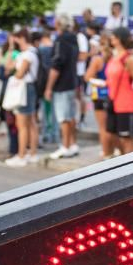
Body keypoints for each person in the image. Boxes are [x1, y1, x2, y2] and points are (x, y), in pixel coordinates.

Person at [45, 15, 82, 160]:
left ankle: (65, 147)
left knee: (63, 118)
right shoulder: (74, 39)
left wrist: (48, 87)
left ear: (59, 24)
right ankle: (72, 144)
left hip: (62, 85)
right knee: (70, 116)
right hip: (72, 82)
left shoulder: (60, 41)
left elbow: (56, 65)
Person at [105, 26, 133, 154]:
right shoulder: (114, 57)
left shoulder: (128, 59)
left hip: (126, 105)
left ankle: (131, 164)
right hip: (114, 102)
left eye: (114, 36)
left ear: (119, 38)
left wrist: (129, 94)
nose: (111, 38)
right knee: (114, 138)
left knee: (127, 140)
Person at [6, 28, 41, 166]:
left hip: (24, 89)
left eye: (15, 39)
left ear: (21, 38)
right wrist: (11, 48)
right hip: (28, 88)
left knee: (22, 124)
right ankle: (32, 153)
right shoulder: (27, 53)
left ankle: (22, 155)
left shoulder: (28, 54)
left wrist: (13, 77)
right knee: (31, 122)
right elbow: (8, 66)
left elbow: (19, 74)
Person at [84, 31, 114, 155]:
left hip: (100, 95)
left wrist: (101, 82)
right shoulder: (117, 57)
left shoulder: (97, 59)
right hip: (114, 94)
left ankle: (106, 153)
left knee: (103, 127)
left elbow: (87, 77)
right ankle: (114, 151)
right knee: (113, 127)